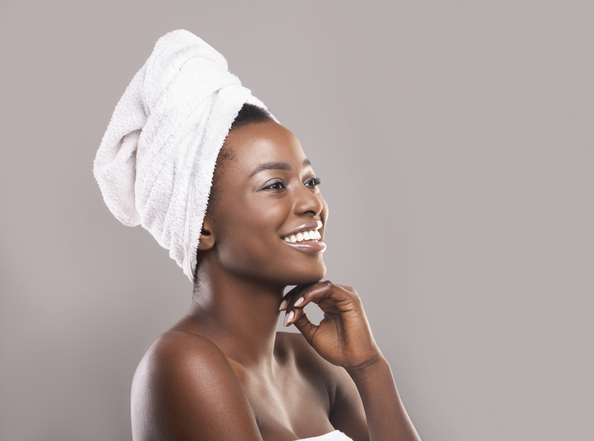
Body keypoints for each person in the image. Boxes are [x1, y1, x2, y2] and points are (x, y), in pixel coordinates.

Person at [94, 30, 420, 441]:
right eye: (274, 185)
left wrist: (371, 368)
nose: (311, 204)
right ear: (203, 226)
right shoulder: (183, 363)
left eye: (311, 180)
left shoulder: (311, 365)